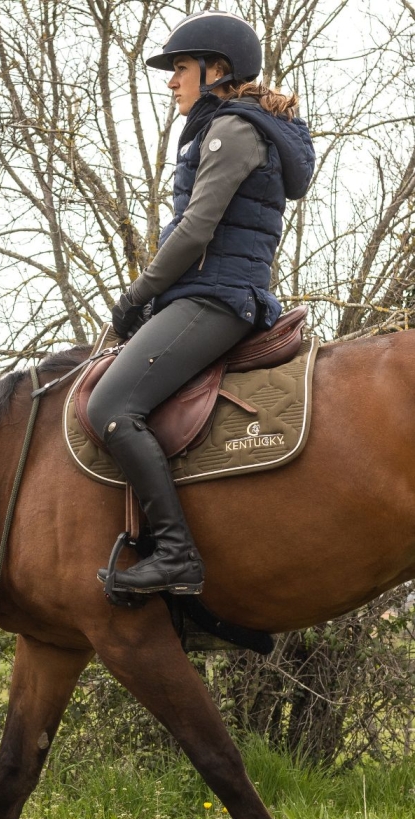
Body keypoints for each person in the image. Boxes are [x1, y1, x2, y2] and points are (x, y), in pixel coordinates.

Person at [88, 10, 315, 597]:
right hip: (211, 292)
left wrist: (137, 295)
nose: (171, 82)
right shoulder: (232, 127)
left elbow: (194, 232)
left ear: (218, 71)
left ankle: (176, 555)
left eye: (180, 69)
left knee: (111, 405)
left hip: (215, 298)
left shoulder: (230, 130)